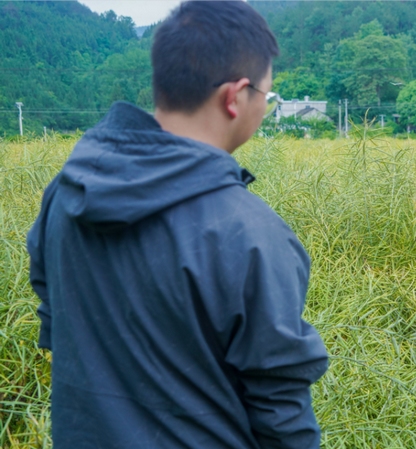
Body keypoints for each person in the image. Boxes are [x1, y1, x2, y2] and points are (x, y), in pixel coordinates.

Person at [26, 2, 328, 448]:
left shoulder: (66, 195)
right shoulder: (251, 234)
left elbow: (56, 327)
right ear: (235, 96)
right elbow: (281, 414)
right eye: (266, 95)